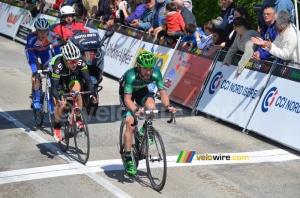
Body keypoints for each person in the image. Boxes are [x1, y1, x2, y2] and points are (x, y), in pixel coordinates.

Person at [119, 51, 176, 175]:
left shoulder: (156, 74)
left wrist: (168, 106)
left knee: (151, 107)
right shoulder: (131, 75)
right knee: (130, 123)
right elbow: (127, 99)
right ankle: (128, 159)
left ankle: (143, 131)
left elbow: (163, 93)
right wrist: (135, 109)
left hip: (141, 90)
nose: (148, 72)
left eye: (150, 68)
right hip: (127, 93)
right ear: (139, 67)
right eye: (145, 69)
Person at [50, 42, 97, 142]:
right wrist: (58, 99)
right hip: (58, 80)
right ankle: (57, 127)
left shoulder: (81, 61)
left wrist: (92, 95)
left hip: (70, 76)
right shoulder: (58, 66)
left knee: (77, 92)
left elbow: (88, 80)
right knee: (62, 104)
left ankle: (78, 119)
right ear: (64, 60)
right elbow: (54, 88)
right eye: (71, 62)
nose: (74, 64)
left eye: (75, 61)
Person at [25, 18, 61, 110]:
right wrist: (35, 71)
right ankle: (36, 98)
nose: (44, 34)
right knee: (36, 72)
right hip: (34, 53)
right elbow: (32, 59)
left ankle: (50, 97)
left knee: (52, 71)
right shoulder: (31, 37)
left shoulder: (52, 36)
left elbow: (57, 53)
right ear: (36, 31)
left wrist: (58, 65)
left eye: (45, 31)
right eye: (41, 31)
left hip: (45, 52)